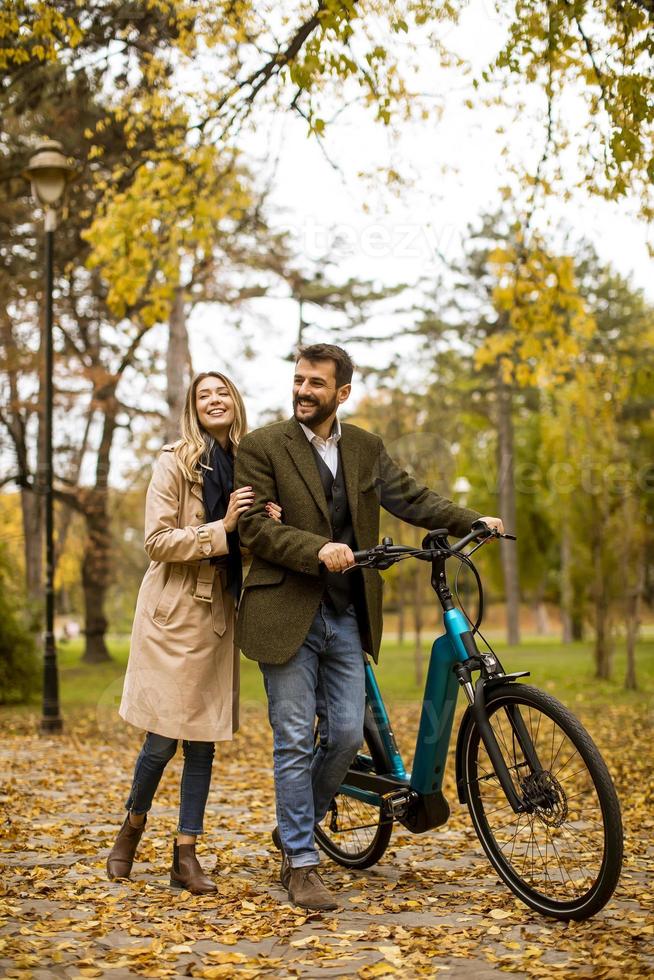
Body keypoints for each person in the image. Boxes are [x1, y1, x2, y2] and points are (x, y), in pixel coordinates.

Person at [234, 343, 504, 911]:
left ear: (342, 393)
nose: (303, 390)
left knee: (346, 739)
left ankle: (293, 829)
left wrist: (470, 519)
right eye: (299, 379)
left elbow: (409, 496)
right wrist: (320, 547)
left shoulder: (364, 448)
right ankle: (302, 863)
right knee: (290, 738)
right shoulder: (262, 447)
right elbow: (255, 529)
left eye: (316, 383)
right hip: (285, 614)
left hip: (347, 614)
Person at [107, 372, 280, 893]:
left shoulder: (250, 464)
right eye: (203, 394)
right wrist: (224, 527)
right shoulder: (176, 460)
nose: (213, 399)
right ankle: (132, 827)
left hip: (219, 615)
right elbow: (157, 541)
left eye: (222, 391)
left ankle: (186, 853)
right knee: (161, 739)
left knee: (203, 743)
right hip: (174, 613)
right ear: (193, 408)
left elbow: (241, 547)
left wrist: (263, 524)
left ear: (235, 401)